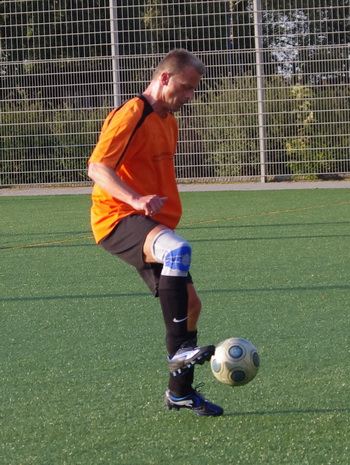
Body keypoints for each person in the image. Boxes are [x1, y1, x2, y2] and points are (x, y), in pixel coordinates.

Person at [88, 49, 223, 416]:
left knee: (191, 306)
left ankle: (179, 392)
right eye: (186, 87)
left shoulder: (169, 122)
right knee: (177, 251)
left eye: (194, 90)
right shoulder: (132, 112)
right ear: (164, 78)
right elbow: (97, 167)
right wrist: (135, 198)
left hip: (150, 224)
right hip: (117, 218)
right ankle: (180, 352)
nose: (190, 96)